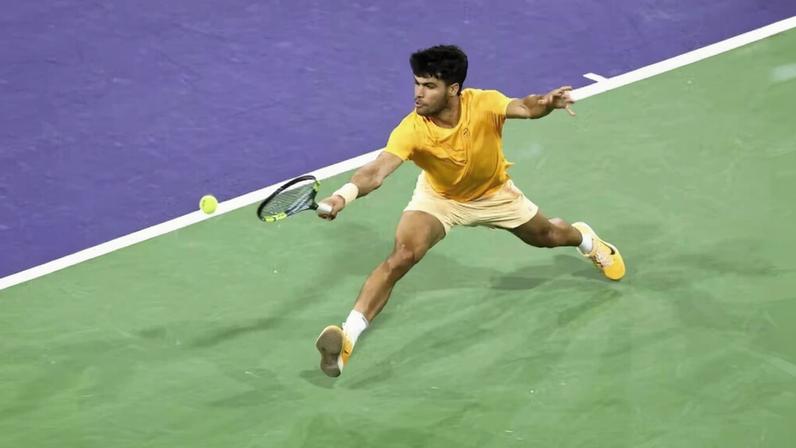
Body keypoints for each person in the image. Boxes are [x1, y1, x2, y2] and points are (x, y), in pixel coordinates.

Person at [313, 45, 625, 377]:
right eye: (417, 83)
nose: (418, 94)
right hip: (440, 199)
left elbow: (525, 107)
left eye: (429, 86)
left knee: (548, 236)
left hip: (494, 194)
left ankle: (587, 241)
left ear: (454, 89)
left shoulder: (484, 103)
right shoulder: (412, 128)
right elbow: (377, 170)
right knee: (402, 256)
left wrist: (546, 104)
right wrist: (341, 197)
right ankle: (346, 339)